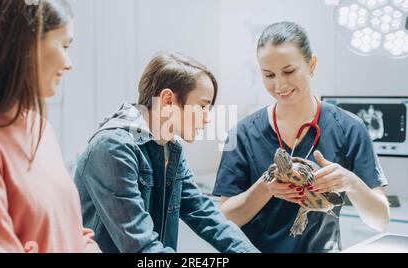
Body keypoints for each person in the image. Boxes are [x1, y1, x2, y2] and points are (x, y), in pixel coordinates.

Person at [213, 21, 390, 253]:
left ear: (312, 64)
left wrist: (351, 183)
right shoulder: (244, 133)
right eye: (268, 75)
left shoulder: (349, 128)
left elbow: (380, 220)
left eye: (289, 71)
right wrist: (267, 187)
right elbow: (224, 219)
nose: (279, 84)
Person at [74, 52, 259, 253]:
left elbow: (205, 215)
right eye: (203, 106)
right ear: (168, 100)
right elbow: (141, 245)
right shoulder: (113, 147)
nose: (207, 119)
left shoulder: (170, 148)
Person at [0, 0, 100, 253]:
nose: (69, 63)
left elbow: (73, 234)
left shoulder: (40, 128)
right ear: (24, 47)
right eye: (64, 45)